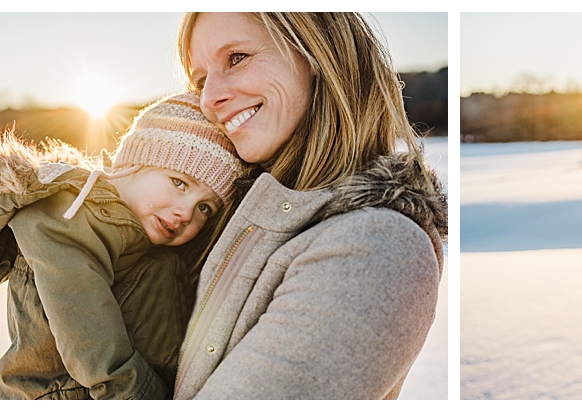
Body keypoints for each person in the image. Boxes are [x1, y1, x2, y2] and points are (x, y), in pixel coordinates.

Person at [171, 12, 447, 399]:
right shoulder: (219, 216)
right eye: (200, 80)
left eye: (237, 58)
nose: (208, 99)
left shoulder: (376, 248)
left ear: (318, 53)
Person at [0, 92, 248, 399]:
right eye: (179, 183)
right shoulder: (67, 216)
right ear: (133, 162)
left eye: (205, 207)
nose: (186, 211)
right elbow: (87, 328)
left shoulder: (133, 233)